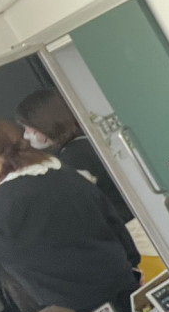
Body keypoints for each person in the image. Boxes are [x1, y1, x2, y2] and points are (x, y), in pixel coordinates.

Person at [0, 120, 140, 312]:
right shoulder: (61, 171)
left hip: (80, 306)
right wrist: (132, 263)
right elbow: (112, 219)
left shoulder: (1, 208)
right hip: (121, 279)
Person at [16, 88, 134, 224]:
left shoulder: (74, 156)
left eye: (27, 127)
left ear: (43, 123)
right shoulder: (86, 142)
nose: (26, 135)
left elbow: (80, 206)